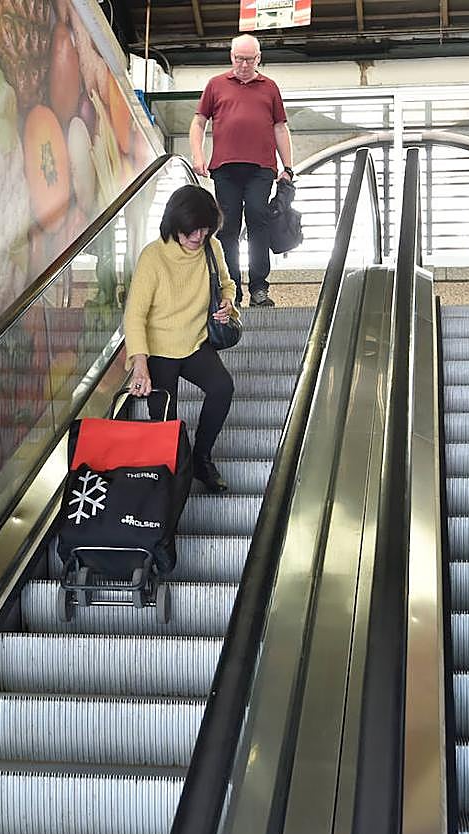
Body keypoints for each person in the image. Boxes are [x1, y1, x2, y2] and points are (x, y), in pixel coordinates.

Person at [125, 185, 238, 494]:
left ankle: (201, 457)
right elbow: (134, 315)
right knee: (165, 421)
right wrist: (140, 364)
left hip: (194, 343)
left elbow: (227, 284)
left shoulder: (211, 248)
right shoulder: (154, 257)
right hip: (159, 350)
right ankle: (171, 476)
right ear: (176, 223)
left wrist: (229, 304)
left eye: (206, 230)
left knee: (222, 387)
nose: (199, 237)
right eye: (193, 231)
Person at [189, 33, 295, 309]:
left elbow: (280, 127)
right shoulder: (216, 85)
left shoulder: (269, 87)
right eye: (239, 58)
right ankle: (231, 289)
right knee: (228, 227)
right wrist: (198, 156)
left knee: (258, 218)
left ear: (258, 58)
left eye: (249, 59)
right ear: (231, 56)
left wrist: (288, 167)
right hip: (225, 167)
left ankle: (259, 288)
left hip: (261, 167)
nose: (244, 64)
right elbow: (199, 122)